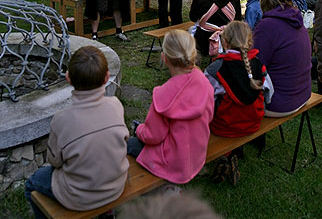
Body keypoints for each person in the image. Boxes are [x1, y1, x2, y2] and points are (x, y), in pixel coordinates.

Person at [25, 46, 129, 219]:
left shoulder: (61, 120)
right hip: (116, 186)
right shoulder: (116, 104)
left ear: (68, 78)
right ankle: (107, 214)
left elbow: (55, 161)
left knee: (32, 183)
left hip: (78, 196)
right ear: (106, 78)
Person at [127, 29, 214, 184]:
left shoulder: (163, 96)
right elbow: (210, 116)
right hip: (197, 153)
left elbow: (153, 136)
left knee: (131, 144)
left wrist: (139, 130)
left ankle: (166, 189)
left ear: (164, 58)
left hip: (173, 162)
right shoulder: (204, 82)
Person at [204, 21, 273, 184]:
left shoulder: (216, 69)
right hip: (253, 123)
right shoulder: (258, 65)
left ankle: (224, 156)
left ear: (225, 42)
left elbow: (203, 102)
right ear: (249, 41)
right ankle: (231, 154)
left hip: (224, 127)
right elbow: (269, 93)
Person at [253, 0, 311, 116]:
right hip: (303, 93)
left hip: (280, 102)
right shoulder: (296, 18)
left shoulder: (267, 26)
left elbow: (253, 64)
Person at [118, 191, 223, 219]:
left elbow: (153, 138)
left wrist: (141, 135)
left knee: (132, 146)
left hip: (172, 165)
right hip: (197, 161)